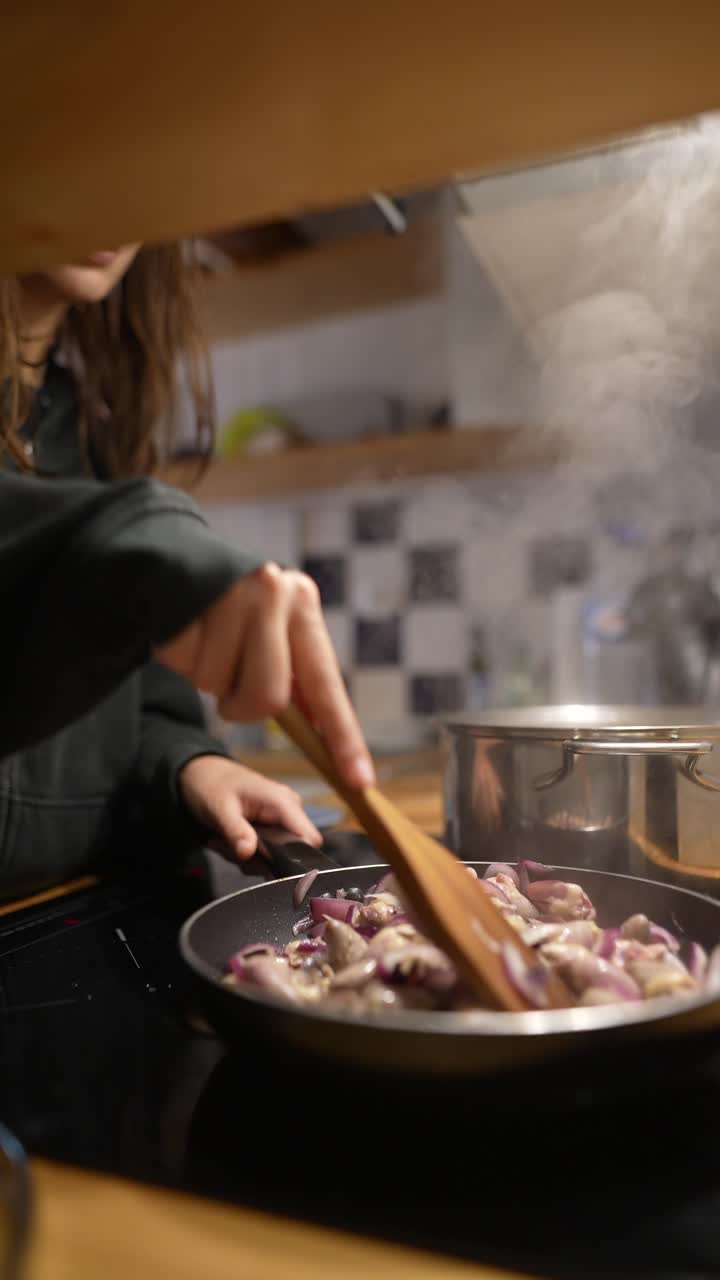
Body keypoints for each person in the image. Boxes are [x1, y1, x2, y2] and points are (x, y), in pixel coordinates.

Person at [0, 241, 373, 898]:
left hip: (70, 908)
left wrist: (186, 765)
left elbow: (132, 711)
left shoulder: (86, 424)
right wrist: (130, 536)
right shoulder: (122, 510)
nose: (118, 203)